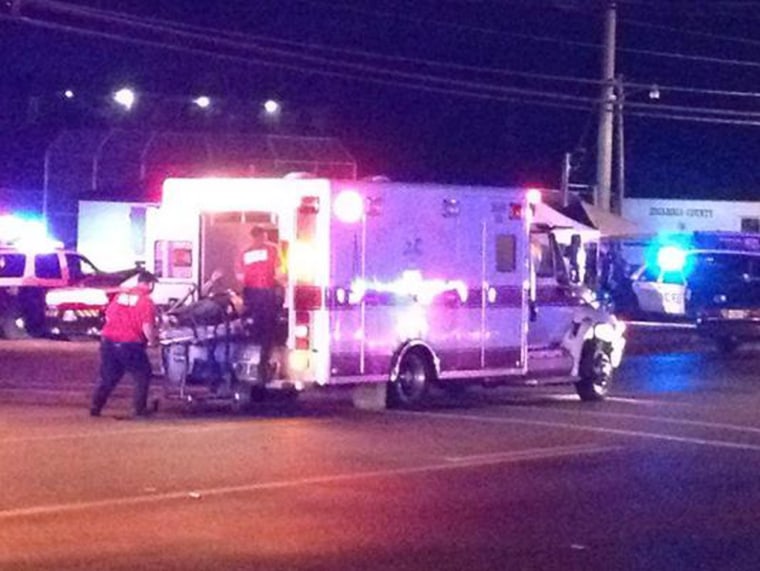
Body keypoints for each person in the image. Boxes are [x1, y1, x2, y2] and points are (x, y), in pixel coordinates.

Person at [90, 271, 158, 419]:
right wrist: (153, 341)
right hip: (129, 343)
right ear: (149, 284)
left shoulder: (120, 296)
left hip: (108, 340)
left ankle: (96, 406)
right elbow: (147, 326)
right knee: (142, 374)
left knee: (109, 376)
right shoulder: (146, 302)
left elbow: (108, 315)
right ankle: (139, 409)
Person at [236, 225, 284, 382]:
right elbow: (280, 273)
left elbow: (240, 276)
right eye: (264, 235)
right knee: (268, 331)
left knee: (253, 330)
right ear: (262, 236)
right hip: (267, 294)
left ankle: (252, 364)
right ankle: (263, 365)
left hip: (251, 294)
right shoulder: (272, 250)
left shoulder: (245, 252)